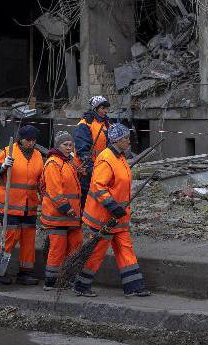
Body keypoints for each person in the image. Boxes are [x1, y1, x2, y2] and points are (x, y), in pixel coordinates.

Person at [74, 122, 150, 298]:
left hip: (118, 216)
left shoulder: (120, 157)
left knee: (126, 249)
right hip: (104, 218)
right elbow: (99, 187)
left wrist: (118, 210)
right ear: (117, 140)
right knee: (96, 252)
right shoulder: (106, 158)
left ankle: (134, 286)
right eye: (125, 138)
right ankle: (81, 285)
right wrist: (113, 207)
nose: (128, 141)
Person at [0, 124, 44, 285]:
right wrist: (3, 166)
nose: (31, 143)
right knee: (9, 237)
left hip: (30, 205)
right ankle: (0, 270)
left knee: (28, 239)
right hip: (10, 205)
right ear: (21, 140)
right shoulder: (8, 152)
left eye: (34, 140)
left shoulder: (37, 155)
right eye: (28, 140)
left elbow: (40, 178)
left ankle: (25, 272)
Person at [40, 130, 83, 290]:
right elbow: (54, 190)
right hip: (58, 215)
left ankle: (68, 277)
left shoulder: (67, 162)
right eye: (65, 145)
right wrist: (66, 207)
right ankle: (51, 282)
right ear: (58, 146)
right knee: (57, 249)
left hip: (71, 215)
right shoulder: (53, 163)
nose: (69, 147)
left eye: (71, 145)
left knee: (75, 245)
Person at [74, 95, 111, 201]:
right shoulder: (85, 124)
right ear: (95, 109)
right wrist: (90, 168)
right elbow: (82, 149)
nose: (105, 111)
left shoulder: (107, 124)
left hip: (102, 166)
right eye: (103, 108)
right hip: (87, 169)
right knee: (86, 197)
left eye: (106, 108)